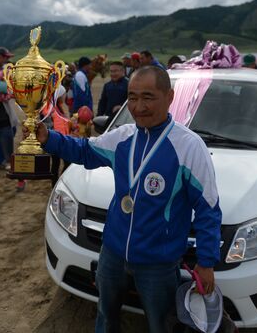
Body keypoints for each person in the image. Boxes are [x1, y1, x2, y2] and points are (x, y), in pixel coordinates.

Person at [35, 66, 222, 332]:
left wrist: (206, 262)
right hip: (112, 253)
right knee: (106, 315)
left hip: (158, 263)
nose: (139, 106)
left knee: (161, 324)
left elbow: (208, 210)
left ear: (169, 97)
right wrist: (47, 138)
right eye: (132, 97)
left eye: (148, 97)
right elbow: (84, 151)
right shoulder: (122, 138)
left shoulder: (189, 147)